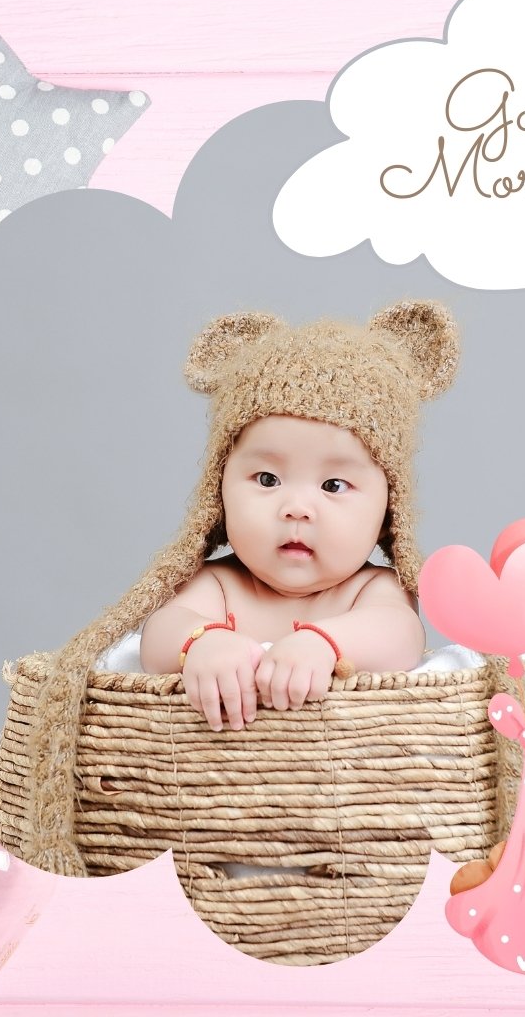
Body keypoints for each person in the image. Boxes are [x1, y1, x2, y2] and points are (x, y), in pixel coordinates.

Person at [140, 300, 460, 731]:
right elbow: (159, 634)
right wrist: (205, 640)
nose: (295, 508)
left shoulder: (373, 590)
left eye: (333, 486)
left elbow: (401, 636)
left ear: (389, 510)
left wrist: (324, 643)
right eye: (267, 479)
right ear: (218, 493)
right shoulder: (216, 583)